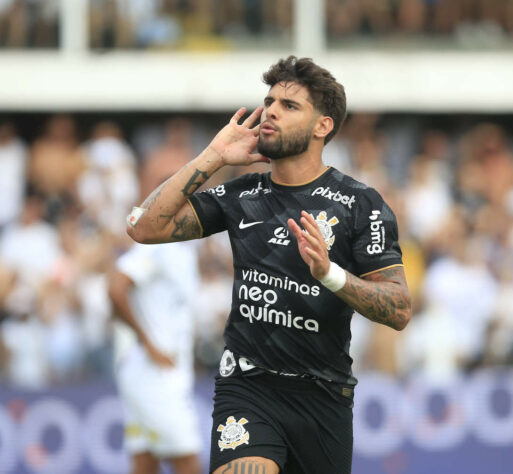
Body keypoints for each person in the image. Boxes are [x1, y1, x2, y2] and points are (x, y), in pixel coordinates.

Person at [127, 55, 412, 474]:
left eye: (289, 105)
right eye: (270, 100)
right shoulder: (242, 193)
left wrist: (329, 274)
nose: (271, 111)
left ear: (322, 126)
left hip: (323, 397)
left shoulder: (360, 204)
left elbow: (400, 308)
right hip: (247, 387)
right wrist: (214, 156)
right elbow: (144, 227)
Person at [108, 238, 202, 474]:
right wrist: (148, 342)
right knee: (187, 460)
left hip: (163, 371)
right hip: (154, 375)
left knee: (145, 460)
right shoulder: (158, 247)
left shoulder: (186, 252)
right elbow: (115, 288)